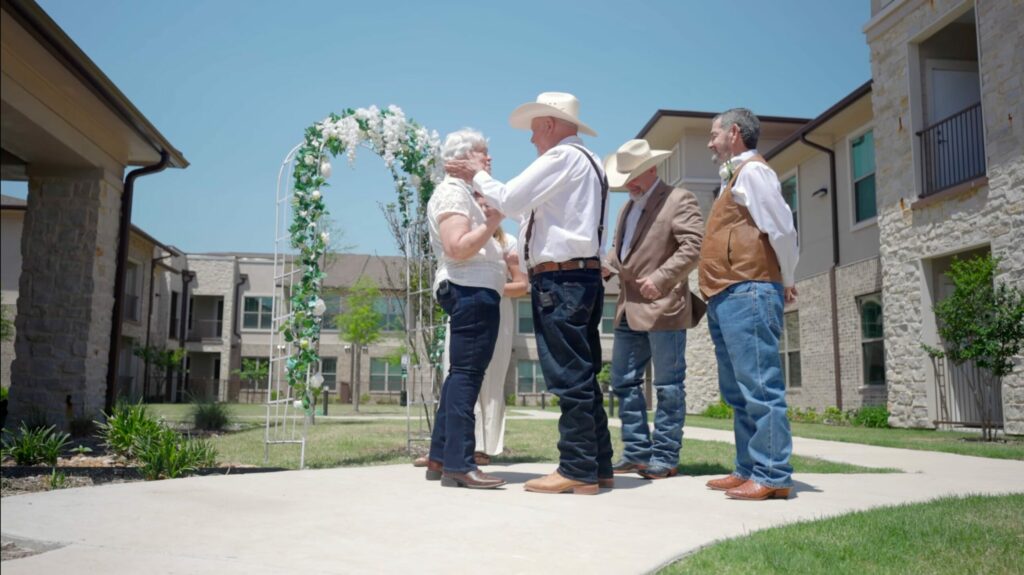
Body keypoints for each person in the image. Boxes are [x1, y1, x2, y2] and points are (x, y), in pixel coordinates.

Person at [446, 92, 613, 495]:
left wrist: (475, 174)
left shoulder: (562, 158)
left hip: (562, 281)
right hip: (582, 277)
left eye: (535, 131)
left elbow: (512, 199)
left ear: (550, 125)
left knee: (568, 374)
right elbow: (531, 210)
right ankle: (598, 463)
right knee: (584, 372)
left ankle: (576, 467)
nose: (532, 141)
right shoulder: (589, 163)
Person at [699, 108, 798, 500]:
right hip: (728, 292)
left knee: (760, 385)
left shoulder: (754, 172)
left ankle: (773, 473)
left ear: (734, 133)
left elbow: (782, 229)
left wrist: (787, 278)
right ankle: (748, 468)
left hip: (749, 290)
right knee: (739, 392)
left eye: (714, 134)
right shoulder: (734, 176)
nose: (710, 142)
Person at [602, 139, 705, 480]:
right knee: (624, 383)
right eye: (625, 176)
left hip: (664, 307)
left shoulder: (679, 199)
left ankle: (665, 456)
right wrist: (607, 265)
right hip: (628, 307)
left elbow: (694, 246)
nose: (628, 183)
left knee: (668, 386)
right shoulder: (626, 209)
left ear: (651, 168)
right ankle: (636, 452)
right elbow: (623, 253)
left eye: (633, 175)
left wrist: (661, 278)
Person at [422, 128, 507, 489]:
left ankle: (441, 455)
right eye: (482, 153)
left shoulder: (468, 193)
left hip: (477, 290)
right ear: (461, 159)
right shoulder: (452, 193)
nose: (489, 159)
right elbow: (456, 247)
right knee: (466, 376)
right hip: (468, 289)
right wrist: (492, 222)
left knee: (462, 373)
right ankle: (459, 462)